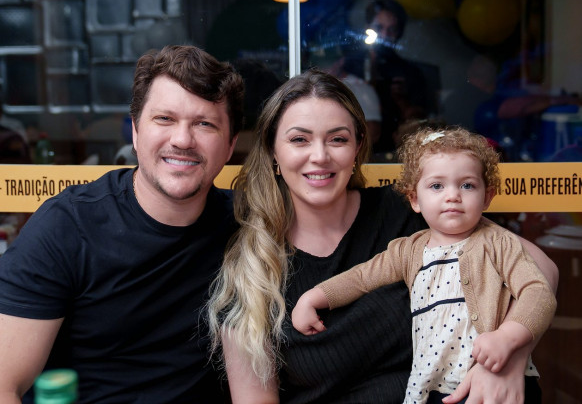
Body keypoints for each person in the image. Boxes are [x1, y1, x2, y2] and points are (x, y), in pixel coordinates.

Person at [206, 69, 558, 403]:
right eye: (299, 139)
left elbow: (540, 269)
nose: (320, 156)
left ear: (358, 147)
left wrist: (507, 358)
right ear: (273, 151)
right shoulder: (252, 264)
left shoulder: (409, 209)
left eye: (338, 139)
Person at [0, 44, 244, 403]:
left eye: (204, 123)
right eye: (165, 119)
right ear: (135, 132)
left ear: (230, 145)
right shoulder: (67, 227)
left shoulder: (247, 228)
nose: (182, 140)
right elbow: (5, 385)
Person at [292, 127, 557, 403]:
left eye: (467, 185)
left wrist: (507, 337)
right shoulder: (408, 251)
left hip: (491, 385)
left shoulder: (499, 243)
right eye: (437, 186)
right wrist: (313, 298)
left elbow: (538, 291)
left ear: (487, 197)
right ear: (415, 200)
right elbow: (361, 278)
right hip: (432, 387)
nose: (453, 195)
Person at [365, 0, 437, 154]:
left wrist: (402, 100)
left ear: (399, 32)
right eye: (378, 28)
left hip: (399, 152)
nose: (384, 35)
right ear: (367, 27)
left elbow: (422, 126)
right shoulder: (351, 67)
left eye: (391, 29)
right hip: (356, 151)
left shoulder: (410, 72)